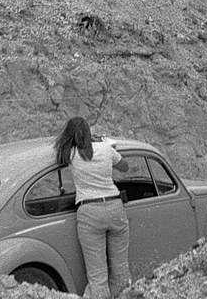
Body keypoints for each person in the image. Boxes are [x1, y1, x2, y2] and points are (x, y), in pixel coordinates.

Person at [55, 116, 130, 299]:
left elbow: (60, 153)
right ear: (89, 133)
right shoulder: (105, 149)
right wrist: (104, 145)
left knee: (97, 276)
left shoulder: (70, 154)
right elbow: (125, 167)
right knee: (120, 270)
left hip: (89, 212)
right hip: (114, 207)